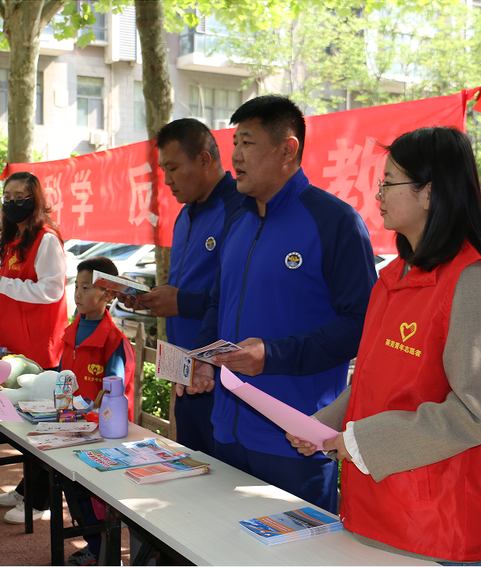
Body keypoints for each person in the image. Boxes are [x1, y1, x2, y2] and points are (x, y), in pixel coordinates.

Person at [288, 127, 481, 563]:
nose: (377, 193)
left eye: (389, 182)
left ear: (429, 194)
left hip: (439, 526)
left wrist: (360, 440)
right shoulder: (391, 279)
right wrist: (323, 428)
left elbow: (473, 413)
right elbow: (372, 383)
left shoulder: (472, 285)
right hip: (380, 511)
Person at [184, 95, 377, 514]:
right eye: (234, 142)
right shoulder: (237, 217)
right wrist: (202, 356)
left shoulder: (336, 222)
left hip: (295, 441)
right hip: (227, 430)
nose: (234, 156)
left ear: (288, 149)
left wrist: (272, 355)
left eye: (247, 143)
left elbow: (362, 324)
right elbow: (220, 300)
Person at [119, 118, 242, 457]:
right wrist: (152, 299)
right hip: (182, 369)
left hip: (218, 375)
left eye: (173, 168)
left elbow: (238, 299)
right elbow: (183, 288)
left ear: (204, 160)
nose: (167, 180)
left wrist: (182, 303)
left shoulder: (239, 210)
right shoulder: (185, 215)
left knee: (221, 477)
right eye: (163, 170)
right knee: (191, 469)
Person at [0, 171, 68, 523]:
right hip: (14, 346)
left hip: (39, 349)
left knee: (41, 427)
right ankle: (27, 488)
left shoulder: (46, 239)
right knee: (23, 426)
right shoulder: (13, 239)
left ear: (34, 199)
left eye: (19, 195)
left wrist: (2, 283)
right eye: (7, 194)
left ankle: (40, 501)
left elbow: (52, 290)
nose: (11, 201)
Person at [62, 256, 135, 566]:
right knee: (72, 491)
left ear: (108, 295)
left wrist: (91, 413)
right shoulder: (70, 331)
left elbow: (113, 390)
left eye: (87, 287)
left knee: (99, 500)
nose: (78, 294)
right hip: (70, 431)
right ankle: (93, 546)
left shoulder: (114, 341)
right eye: (76, 286)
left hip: (102, 437)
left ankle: (107, 554)